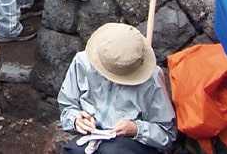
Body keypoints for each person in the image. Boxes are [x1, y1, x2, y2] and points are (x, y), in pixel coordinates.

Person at [58, 23, 177, 154]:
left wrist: (136, 129)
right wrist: (76, 120)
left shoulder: (151, 79)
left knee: (112, 151)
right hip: (92, 135)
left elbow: (167, 134)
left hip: (130, 143)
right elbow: (67, 105)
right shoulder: (83, 62)